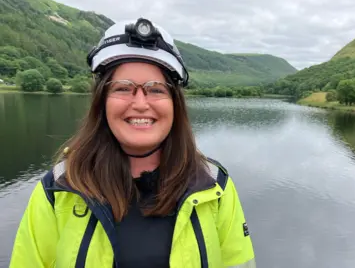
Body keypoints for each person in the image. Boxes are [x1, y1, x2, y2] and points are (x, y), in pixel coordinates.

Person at [10, 17, 255, 268]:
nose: (140, 103)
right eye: (123, 88)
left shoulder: (214, 186)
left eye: (156, 89)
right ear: (102, 101)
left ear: (175, 103)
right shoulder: (59, 188)